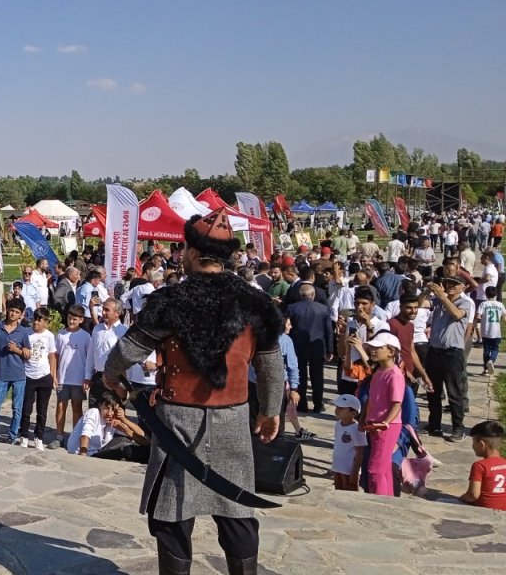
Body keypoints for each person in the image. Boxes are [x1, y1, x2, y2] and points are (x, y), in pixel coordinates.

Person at [102, 209, 285, 575]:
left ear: (191, 251)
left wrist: (110, 377)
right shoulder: (255, 301)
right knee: (236, 514)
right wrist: (270, 410)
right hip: (233, 417)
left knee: (172, 516)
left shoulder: (170, 300)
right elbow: (270, 366)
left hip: (178, 422)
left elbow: (126, 353)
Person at [349, 331, 405, 496]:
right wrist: (363, 418)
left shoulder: (395, 375)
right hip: (373, 424)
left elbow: (397, 404)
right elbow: (371, 398)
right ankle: (387, 499)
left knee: (375, 470)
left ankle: (378, 502)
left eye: (378, 348)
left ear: (391, 351)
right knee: (383, 468)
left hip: (386, 427)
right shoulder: (378, 372)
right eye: (372, 348)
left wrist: (385, 422)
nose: (373, 351)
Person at [422, 274, 475, 440]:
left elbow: (457, 314)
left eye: (455, 284)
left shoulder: (465, 302)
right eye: (448, 283)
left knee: (454, 392)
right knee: (433, 390)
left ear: (463, 287)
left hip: (452, 353)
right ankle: (434, 424)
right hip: (435, 351)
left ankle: (458, 427)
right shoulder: (437, 301)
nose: (450, 285)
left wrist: (443, 297)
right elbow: (419, 304)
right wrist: (426, 290)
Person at [0, 298, 31, 443]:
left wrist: (16, 350)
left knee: (17, 409)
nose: (13, 314)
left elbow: (28, 354)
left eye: (16, 312)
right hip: (2, 375)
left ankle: (12, 437)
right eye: (11, 310)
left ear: (21, 315)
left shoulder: (23, 331)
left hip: (19, 376)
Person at [286, 283, 334, 413]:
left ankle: (302, 404)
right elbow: (329, 331)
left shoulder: (292, 308)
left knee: (300, 376)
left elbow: (287, 328)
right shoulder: (323, 309)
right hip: (317, 346)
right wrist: (330, 349)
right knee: (317, 377)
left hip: (298, 347)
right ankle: (318, 404)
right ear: (313, 295)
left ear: (300, 296)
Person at [18, 308, 58, 449]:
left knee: (42, 410)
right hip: (28, 374)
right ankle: (23, 435)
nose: (36, 322)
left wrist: (52, 375)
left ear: (46, 322)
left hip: (44, 375)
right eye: (35, 319)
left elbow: (52, 356)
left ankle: (38, 436)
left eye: (39, 320)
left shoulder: (49, 336)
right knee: (26, 408)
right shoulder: (26, 333)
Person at [53, 306, 92, 444]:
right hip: (63, 377)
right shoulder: (61, 334)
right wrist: (54, 375)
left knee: (77, 408)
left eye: (74, 319)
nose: (71, 321)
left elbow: (89, 358)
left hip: (78, 379)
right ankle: (59, 436)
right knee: (60, 407)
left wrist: (87, 377)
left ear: (81, 320)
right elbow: (55, 356)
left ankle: (75, 437)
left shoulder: (86, 336)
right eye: (69, 318)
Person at [458, 421, 506, 511]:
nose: (472, 445)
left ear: (481, 444)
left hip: (484, 511)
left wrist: (462, 498)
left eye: (473, 442)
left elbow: (473, 495)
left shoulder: (479, 466)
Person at [330, 394, 368, 491]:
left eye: (341, 408)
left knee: (349, 492)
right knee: (337, 491)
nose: (337, 410)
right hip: (337, 466)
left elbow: (359, 453)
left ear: (353, 413)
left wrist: (354, 472)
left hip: (348, 469)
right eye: (337, 407)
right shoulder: (338, 424)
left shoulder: (357, 429)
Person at [476, 286, 502, 375]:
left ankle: (486, 369)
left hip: (485, 331)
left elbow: (478, 316)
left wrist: (479, 321)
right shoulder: (500, 305)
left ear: (486, 294)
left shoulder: (483, 304)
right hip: (496, 332)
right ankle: (491, 360)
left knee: (486, 349)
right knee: (495, 348)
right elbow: (504, 317)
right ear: (496, 294)